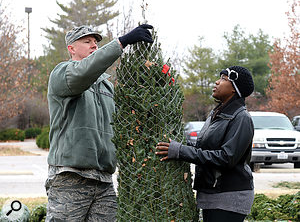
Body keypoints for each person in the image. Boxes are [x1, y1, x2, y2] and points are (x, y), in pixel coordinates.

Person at [46, 24, 153, 221]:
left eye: (96, 42)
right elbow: (84, 72)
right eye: (87, 42)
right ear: (71, 48)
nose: (94, 46)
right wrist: (121, 43)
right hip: (71, 177)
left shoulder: (106, 86)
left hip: (104, 181)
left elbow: (123, 123)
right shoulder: (63, 74)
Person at [156, 66, 255, 222]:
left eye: (223, 79)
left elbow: (226, 158)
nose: (217, 82)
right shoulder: (216, 115)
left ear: (234, 89)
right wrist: (179, 144)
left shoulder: (241, 118)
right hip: (212, 194)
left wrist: (181, 151)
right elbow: (204, 148)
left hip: (228, 197)